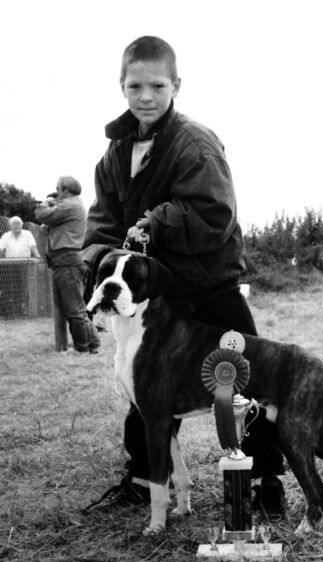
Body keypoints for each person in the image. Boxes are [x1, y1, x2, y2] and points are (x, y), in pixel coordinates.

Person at [82, 36, 285, 516]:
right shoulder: (113, 155)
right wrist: (99, 258)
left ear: (177, 84)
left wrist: (156, 220)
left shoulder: (195, 142)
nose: (146, 96)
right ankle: (142, 478)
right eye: (135, 85)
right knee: (145, 386)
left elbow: (215, 214)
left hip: (208, 287)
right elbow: (103, 224)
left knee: (248, 381)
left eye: (157, 85)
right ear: (121, 86)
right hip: (156, 297)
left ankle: (266, 481)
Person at [35, 176, 100, 354]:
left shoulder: (70, 204)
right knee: (77, 306)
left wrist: (45, 202)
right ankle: (92, 344)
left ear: (65, 189)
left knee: (73, 308)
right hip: (67, 260)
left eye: (57, 189)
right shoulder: (74, 205)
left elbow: (41, 214)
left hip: (67, 260)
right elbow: (57, 225)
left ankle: (81, 348)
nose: (56, 193)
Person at [0, 216, 40, 318]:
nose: (16, 225)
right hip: (10, 266)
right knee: (8, 288)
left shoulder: (27, 234)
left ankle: (23, 310)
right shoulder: (6, 235)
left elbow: (33, 247)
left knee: (23, 288)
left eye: (18, 223)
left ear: (22, 225)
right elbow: (0, 248)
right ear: (10, 226)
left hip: (25, 265)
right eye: (14, 224)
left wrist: (38, 256)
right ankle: (9, 312)